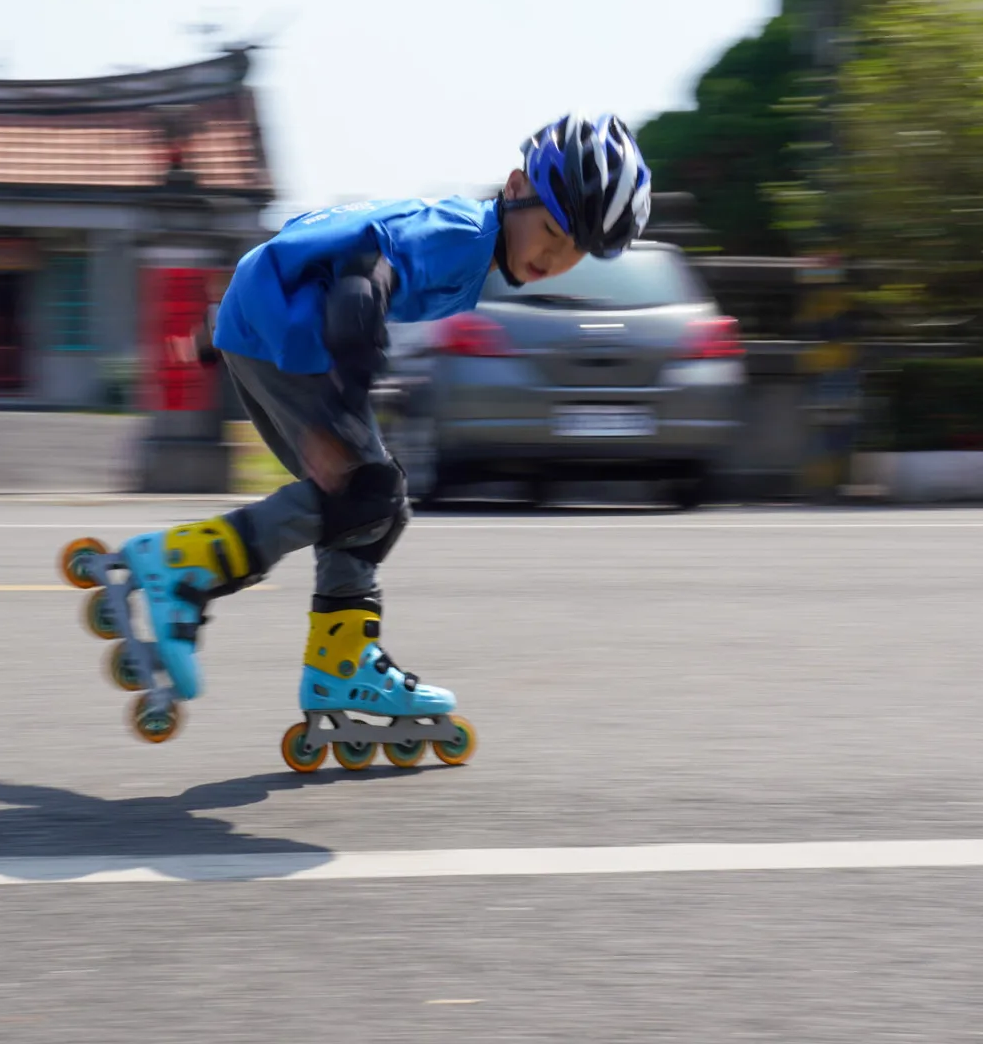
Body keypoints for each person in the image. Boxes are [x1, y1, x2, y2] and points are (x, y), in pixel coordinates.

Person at [116, 112, 653, 736]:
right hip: (291, 334)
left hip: (267, 321)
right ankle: (186, 567)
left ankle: (339, 662)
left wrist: (216, 331)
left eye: (575, 252)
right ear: (514, 187)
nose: (554, 258)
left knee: (370, 503)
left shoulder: (469, 235)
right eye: (552, 232)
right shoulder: (459, 238)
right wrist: (340, 409)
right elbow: (360, 286)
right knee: (367, 494)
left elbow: (317, 238)